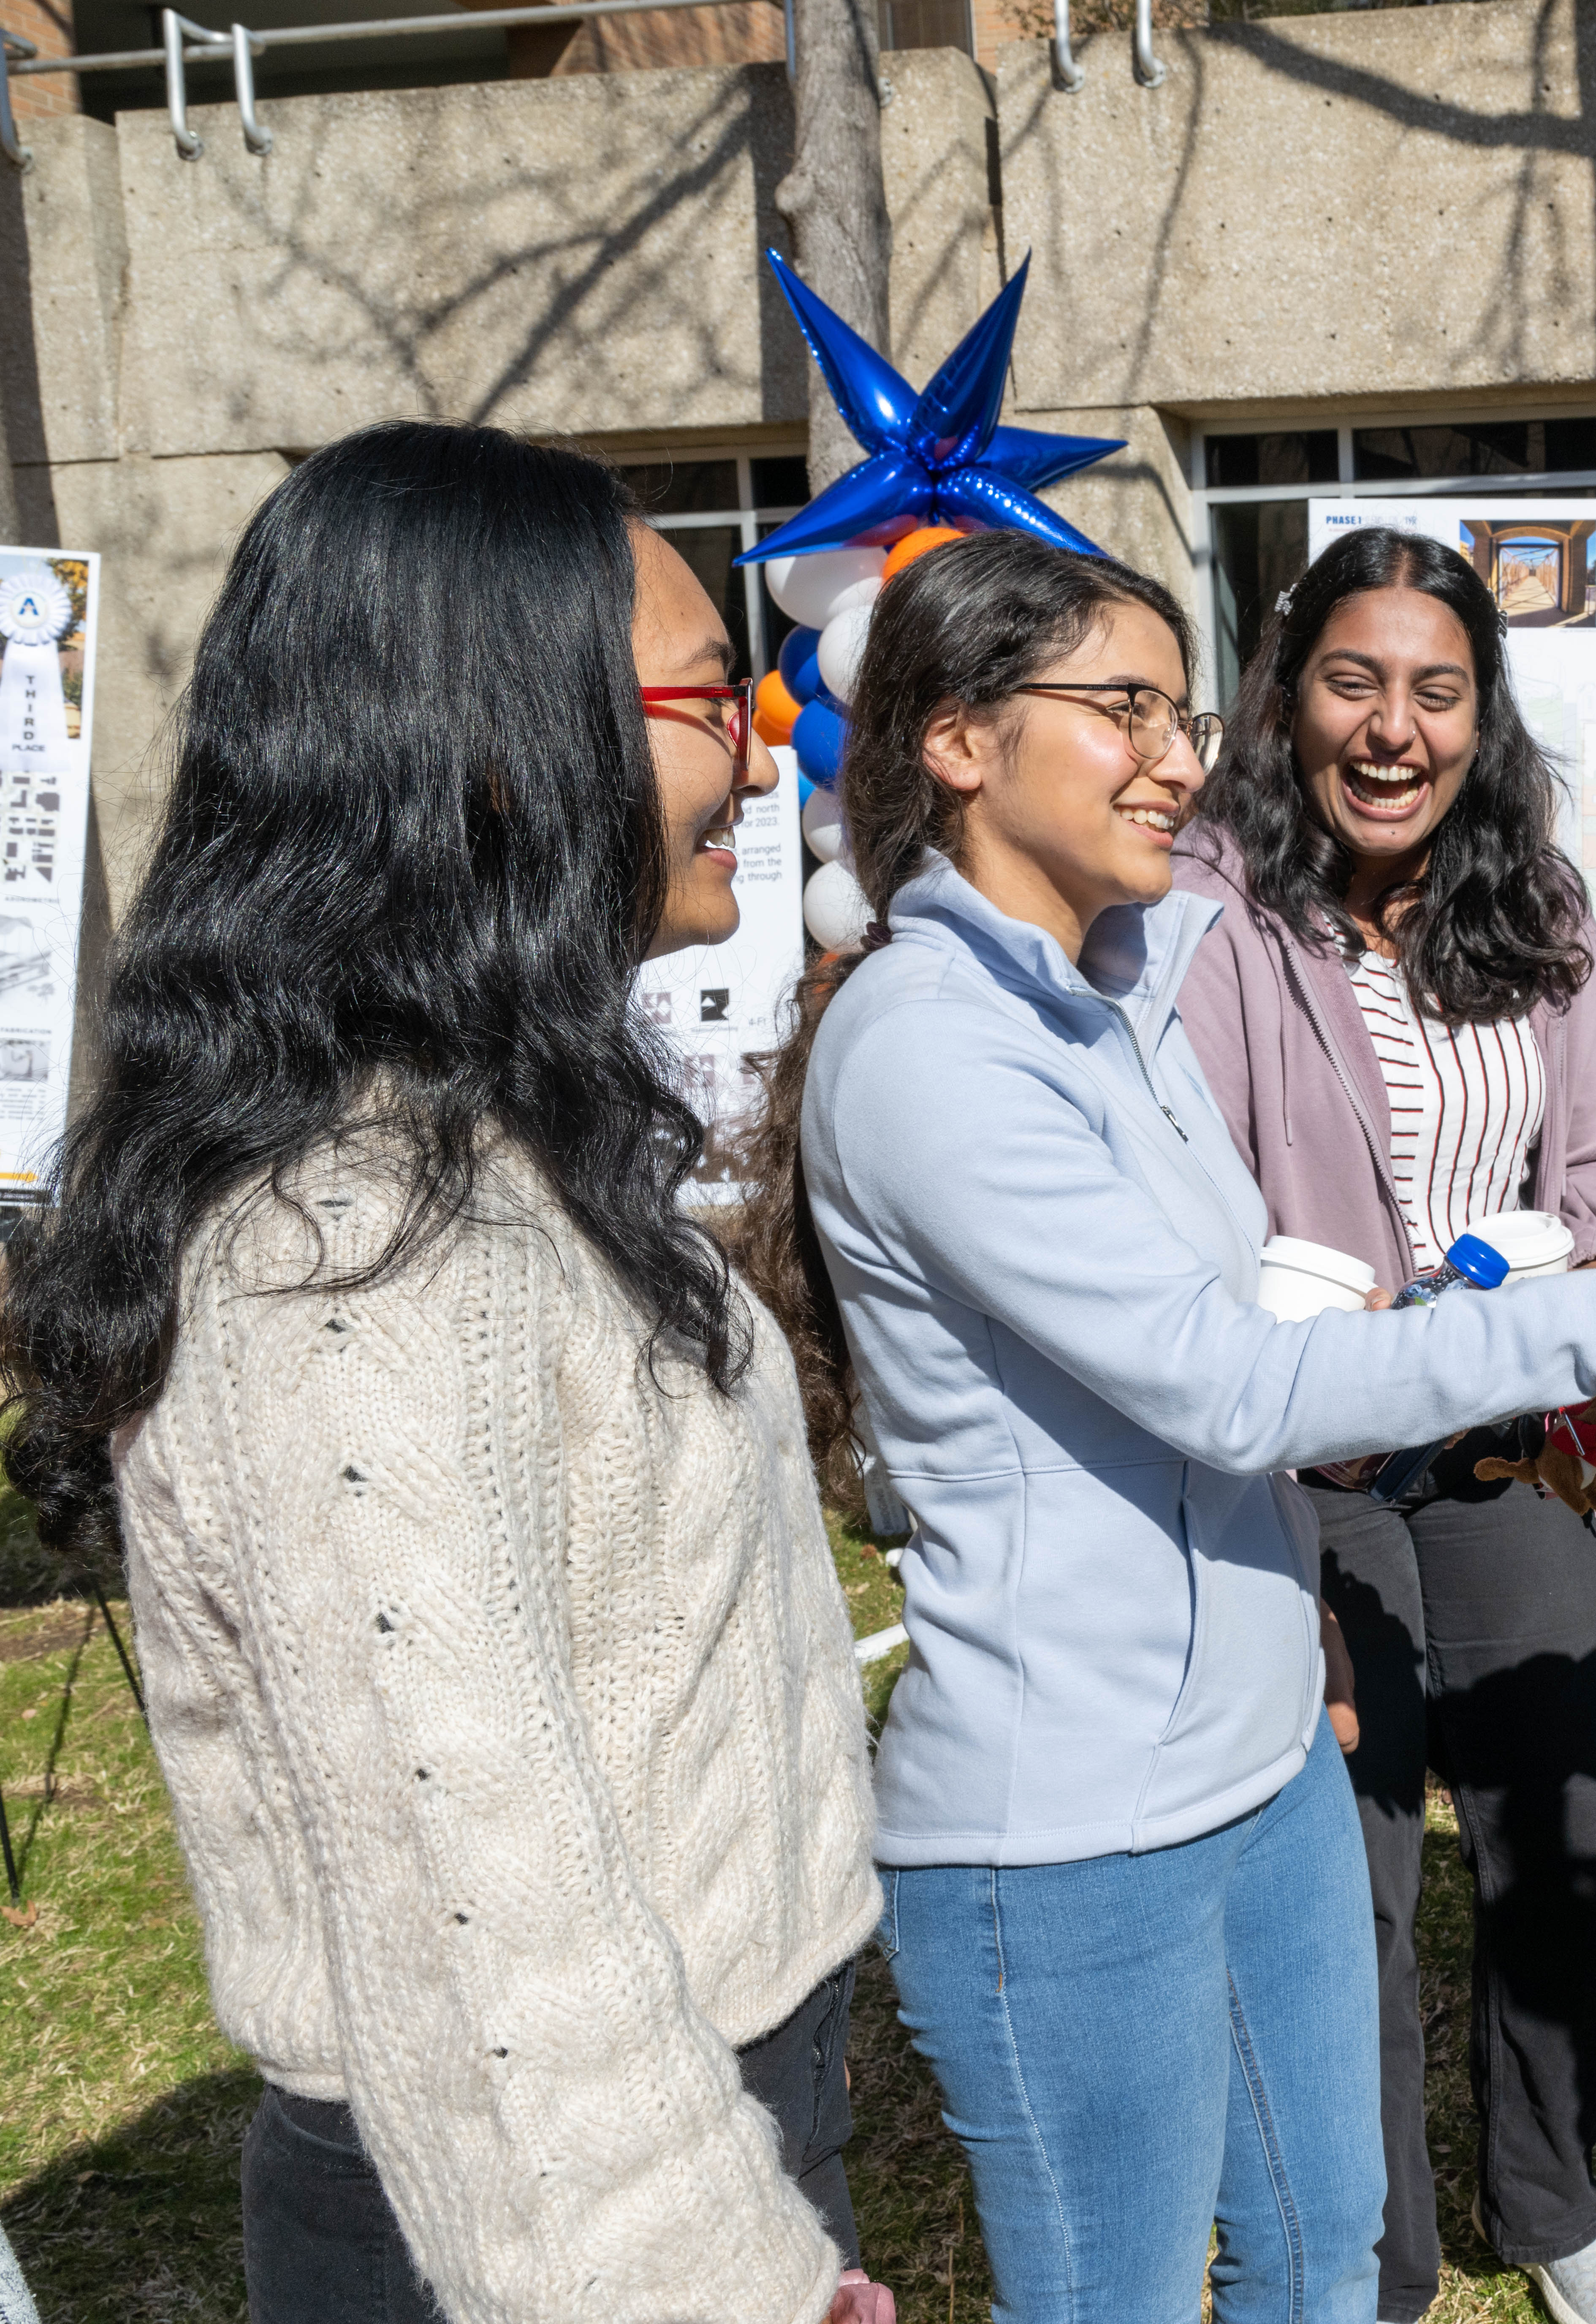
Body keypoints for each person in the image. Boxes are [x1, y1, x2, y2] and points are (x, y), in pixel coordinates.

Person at [736, 529, 1596, 2324]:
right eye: (1126, 708)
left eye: (1176, 710)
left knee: (1315, 2251)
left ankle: (1536, 2203)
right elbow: (1236, 1371)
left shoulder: (1105, 1001)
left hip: (1251, 1718)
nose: (1177, 754)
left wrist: (1282, 1602)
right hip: (1084, 1810)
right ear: (955, 737)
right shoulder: (968, 1032)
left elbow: (1231, 1358)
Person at [0, 422, 896, 2324]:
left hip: (674, 2094)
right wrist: (717, 2273)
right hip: (556, 2204)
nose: (759, 741)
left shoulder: (493, 1147)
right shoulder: (344, 1261)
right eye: (699, 691)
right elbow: (474, 1891)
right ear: (494, 751)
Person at [1175, 527, 1596, 2324]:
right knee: (1355, 1874)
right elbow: (1182, 1217)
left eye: (1439, 691)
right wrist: (1325, 1306)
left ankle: (1546, 2200)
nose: (1395, 730)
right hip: (1304, 1465)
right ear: (1288, 690)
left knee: (1573, 1824)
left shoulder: (1535, 906)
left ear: (1485, 715)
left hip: (1502, 1440)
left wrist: (1529, 1264)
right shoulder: (1209, 908)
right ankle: (1375, 2259)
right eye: (1355, 681)